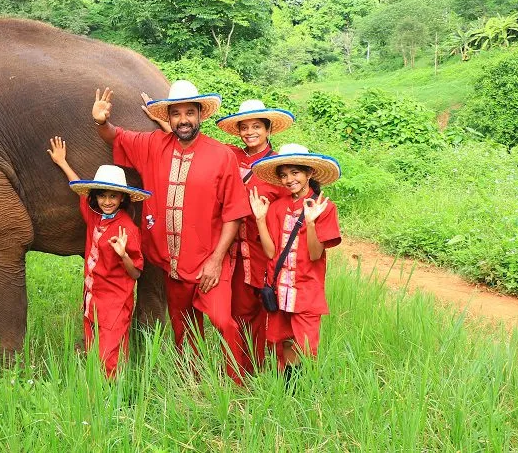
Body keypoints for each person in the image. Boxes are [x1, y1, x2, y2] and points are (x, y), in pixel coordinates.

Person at [93, 81, 251, 377]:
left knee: (222, 321)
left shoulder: (221, 156)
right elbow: (115, 137)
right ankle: (191, 381)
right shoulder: (153, 144)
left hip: (209, 261)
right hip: (173, 262)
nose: (183, 120)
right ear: (169, 118)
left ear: (200, 115)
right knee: (182, 326)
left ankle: (239, 384)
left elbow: (234, 213)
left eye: (189, 112)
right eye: (176, 114)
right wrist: (102, 120)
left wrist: (216, 260)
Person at [47, 136, 147, 377]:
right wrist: (62, 162)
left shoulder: (128, 230)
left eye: (113, 196)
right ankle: (99, 398)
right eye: (102, 196)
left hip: (115, 302)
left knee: (109, 359)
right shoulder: (94, 216)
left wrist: (123, 255)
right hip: (92, 298)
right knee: (95, 352)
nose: (107, 201)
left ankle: (114, 403)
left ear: (122, 197)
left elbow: (136, 272)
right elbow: (80, 192)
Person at [248, 143, 341, 384]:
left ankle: (306, 393)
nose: (289, 179)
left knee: (306, 347)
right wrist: (260, 219)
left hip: (306, 290)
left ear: (309, 172)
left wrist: (311, 223)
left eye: (295, 172)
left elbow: (314, 254)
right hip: (280, 290)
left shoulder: (324, 207)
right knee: (285, 342)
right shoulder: (277, 207)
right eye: (284, 174)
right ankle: (288, 391)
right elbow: (270, 252)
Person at [214, 100, 295, 375]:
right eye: (244, 127)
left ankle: (272, 372)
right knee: (237, 314)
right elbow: (200, 149)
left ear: (268, 129)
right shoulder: (231, 156)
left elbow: (289, 211)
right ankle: (239, 373)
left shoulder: (277, 168)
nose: (250, 132)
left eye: (256, 127)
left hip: (265, 253)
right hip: (233, 253)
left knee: (269, 313)